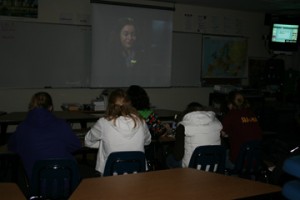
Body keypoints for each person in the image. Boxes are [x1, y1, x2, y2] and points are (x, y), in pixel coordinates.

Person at [8, 92, 81, 180]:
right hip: (66, 181)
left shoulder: (22, 128)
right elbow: (76, 145)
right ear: (50, 108)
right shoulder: (62, 125)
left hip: (37, 183)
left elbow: (12, 146)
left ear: (31, 107)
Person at [84, 88, 151, 175]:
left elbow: (87, 141)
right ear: (130, 104)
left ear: (110, 105)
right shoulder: (140, 121)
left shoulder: (103, 122)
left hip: (110, 175)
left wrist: (105, 144)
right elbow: (147, 141)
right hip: (137, 173)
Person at [166, 102, 223, 168]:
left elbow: (178, 156)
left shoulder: (183, 126)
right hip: (214, 166)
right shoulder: (217, 123)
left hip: (192, 168)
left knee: (169, 159)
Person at [221, 90, 263, 168]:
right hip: (255, 159)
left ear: (230, 104)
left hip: (239, 161)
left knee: (220, 155)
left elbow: (222, 133)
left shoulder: (231, 115)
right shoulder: (252, 114)